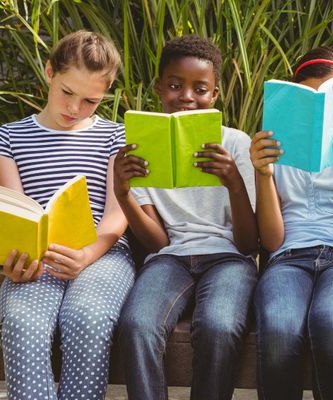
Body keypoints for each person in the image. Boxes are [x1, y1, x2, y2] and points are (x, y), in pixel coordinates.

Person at [0, 30, 134, 400]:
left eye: (91, 101)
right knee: (23, 322)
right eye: (67, 92)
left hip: (102, 254)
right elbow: (14, 216)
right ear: (50, 71)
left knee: (87, 318)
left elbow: (118, 216)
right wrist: (18, 262)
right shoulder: (7, 139)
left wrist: (86, 255)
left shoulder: (115, 137)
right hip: (38, 259)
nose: (74, 108)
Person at [113, 35, 258, 400]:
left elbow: (248, 244)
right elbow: (157, 241)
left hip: (229, 259)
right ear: (160, 87)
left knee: (219, 326)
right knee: (137, 324)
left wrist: (234, 183)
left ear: (216, 94)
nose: (187, 97)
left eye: (201, 88)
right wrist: (123, 193)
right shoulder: (141, 146)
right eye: (175, 86)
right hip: (170, 258)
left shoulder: (237, 144)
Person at [250, 47, 333, 400]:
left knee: (332, 325)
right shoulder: (275, 149)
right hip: (287, 257)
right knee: (278, 329)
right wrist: (263, 174)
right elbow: (273, 241)